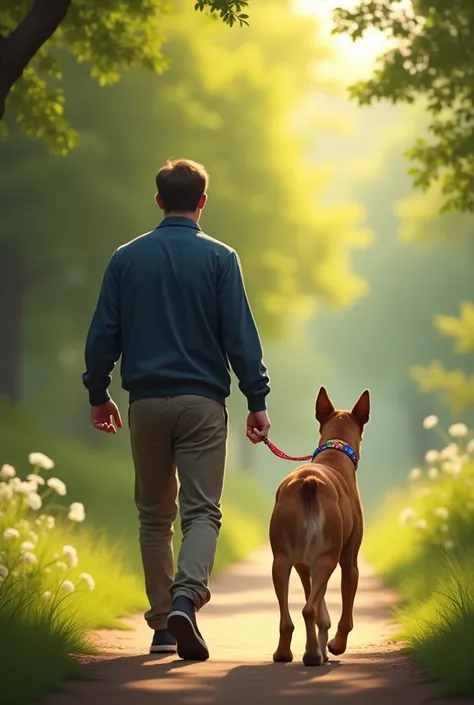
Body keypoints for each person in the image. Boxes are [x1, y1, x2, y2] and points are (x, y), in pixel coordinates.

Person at [82, 158, 271, 661]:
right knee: (202, 512)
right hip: (203, 404)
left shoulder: (126, 259)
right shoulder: (221, 258)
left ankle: (164, 625)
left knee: (153, 517)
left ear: (159, 200)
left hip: (145, 403)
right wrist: (257, 399)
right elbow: (240, 336)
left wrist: (98, 391)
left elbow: (104, 333)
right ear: (203, 202)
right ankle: (188, 597)